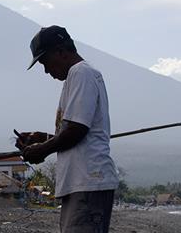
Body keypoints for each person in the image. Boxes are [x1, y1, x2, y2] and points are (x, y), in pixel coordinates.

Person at [15, 25, 119, 233]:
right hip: (81, 183)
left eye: (45, 62)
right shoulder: (76, 76)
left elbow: (77, 130)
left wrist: (42, 149)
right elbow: (75, 132)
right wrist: (41, 138)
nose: (46, 70)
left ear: (61, 52)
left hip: (88, 181)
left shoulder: (82, 73)